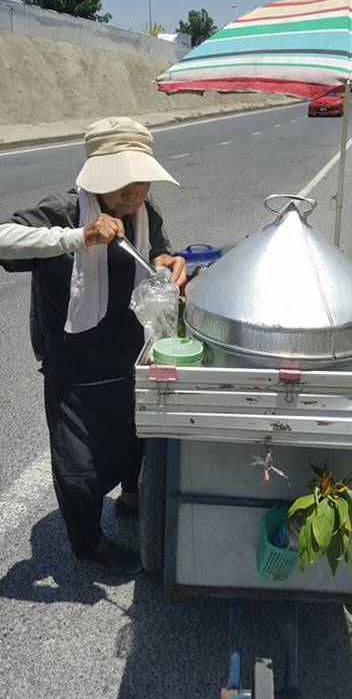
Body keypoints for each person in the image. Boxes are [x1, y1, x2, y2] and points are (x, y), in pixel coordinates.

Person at [0, 117, 187, 576]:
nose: (135, 192)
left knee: (136, 435)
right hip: (74, 363)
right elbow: (4, 240)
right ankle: (90, 543)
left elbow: (155, 252)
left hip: (129, 350)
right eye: (123, 181)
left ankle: (132, 496)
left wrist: (168, 261)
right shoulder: (64, 210)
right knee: (78, 464)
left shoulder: (144, 212)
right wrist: (78, 237)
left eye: (142, 180)